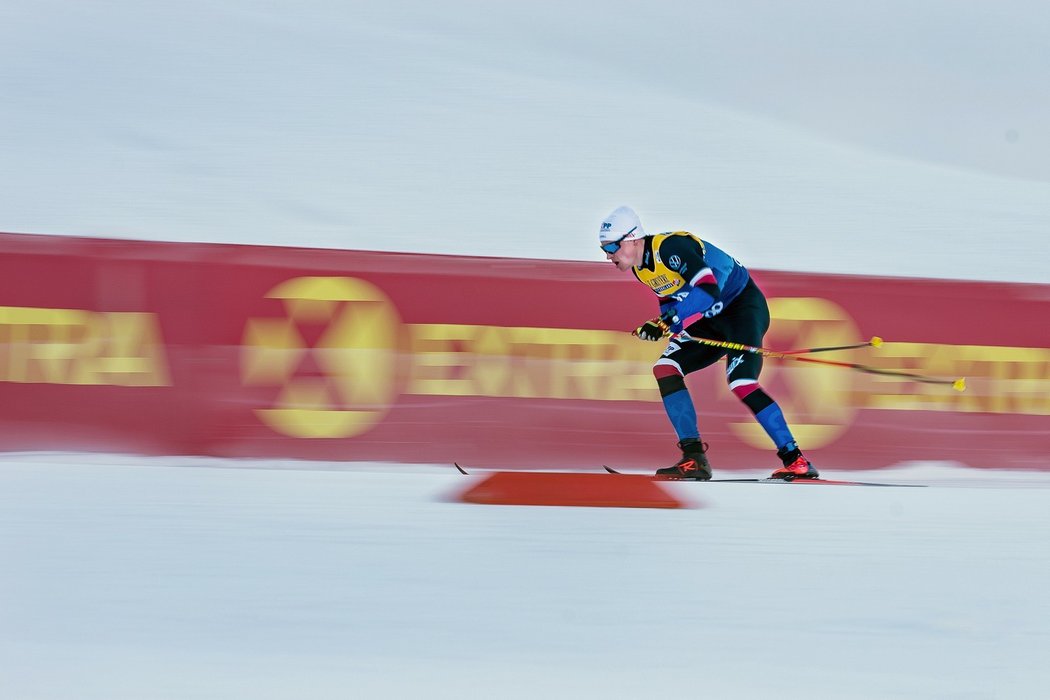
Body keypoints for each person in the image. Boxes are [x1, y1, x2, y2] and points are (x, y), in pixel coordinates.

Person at [598, 205, 818, 481]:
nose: (608, 255)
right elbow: (670, 299)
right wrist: (666, 326)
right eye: (603, 248)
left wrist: (667, 321)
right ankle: (694, 459)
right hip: (714, 319)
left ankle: (795, 460)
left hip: (742, 309)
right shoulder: (640, 269)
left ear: (632, 239)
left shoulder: (670, 248)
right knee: (666, 368)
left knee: (741, 382)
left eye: (611, 247)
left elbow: (708, 290)